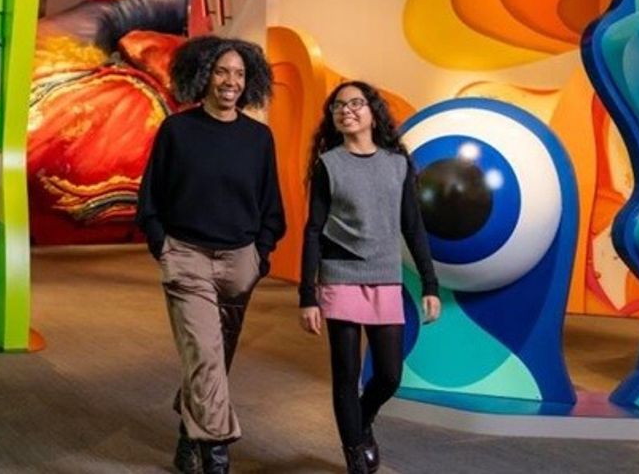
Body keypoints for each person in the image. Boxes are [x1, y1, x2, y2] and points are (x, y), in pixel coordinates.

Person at [137, 35, 285, 474]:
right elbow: (150, 198)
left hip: (240, 261)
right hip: (187, 255)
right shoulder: (177, 130)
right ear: (203, 74)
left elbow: (271, 206)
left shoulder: (259, 138)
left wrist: (260, 254)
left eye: (239, 74)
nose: (230, 81)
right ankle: (215, 454)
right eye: (222, 71)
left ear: (250, 81)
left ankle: (188, 431)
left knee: (214, 361)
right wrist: (162, 244)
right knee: (204, 353)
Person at [299, 81, 441, 474]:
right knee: (345, 373)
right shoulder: (328, 165)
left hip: (384, 277)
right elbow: (313, 230)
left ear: (373, 112)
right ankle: (354, 455)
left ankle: (362, 421)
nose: (347, 110)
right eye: (338, 106)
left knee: (390, 375)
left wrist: (430, 284)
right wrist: (307, 295)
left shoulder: (397, 164)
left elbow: (413, 228)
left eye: (355, 103)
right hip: (340, 275)